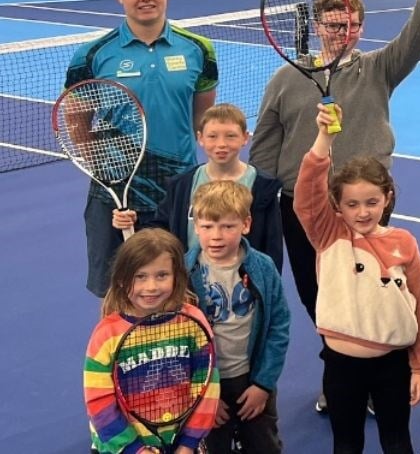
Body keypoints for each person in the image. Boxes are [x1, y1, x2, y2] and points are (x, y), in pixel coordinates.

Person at [250, 0, 420, 324]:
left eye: (351, 25)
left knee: (367, 290)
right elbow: (264, 146)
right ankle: (337, 361)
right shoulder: (285, 78)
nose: (343, 32)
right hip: (302, 206)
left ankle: (368, 359)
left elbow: (418, 36)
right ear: (318, 27)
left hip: (363, 202)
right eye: (334, 24)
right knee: (315, 292)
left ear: (360, 27)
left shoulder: (379, 69)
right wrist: (255, 204)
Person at [67, 0, 218, 297]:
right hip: (117, 187)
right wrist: (103, 167)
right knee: (117, 288)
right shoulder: (92, 54)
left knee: (178, 283)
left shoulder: (198, 49)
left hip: (179, 186)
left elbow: (202, 120)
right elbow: (76, 116)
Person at [295, 103, 420, 454]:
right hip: (342, 366)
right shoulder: (329, 235)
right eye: (352, 204)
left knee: (397, 442)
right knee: (346, 444)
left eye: (371, 202)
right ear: (337, 206)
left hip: (393, 366)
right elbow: (307, 197)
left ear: (386, 199)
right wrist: (324, 138)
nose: (362, 212)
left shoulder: (404, 243)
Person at [83, 228, 221, 453]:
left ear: (177, 276)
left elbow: (207, 386)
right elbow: (99, 404)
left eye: (161, 275)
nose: (151, 287)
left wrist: (188, 444)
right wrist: (134, 449)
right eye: (140, 276)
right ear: (120, 280)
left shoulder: (193, 323)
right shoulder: (106, 336)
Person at [113, 103, 284, 272]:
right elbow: (161, 228)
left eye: (231, 136)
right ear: (200, 138)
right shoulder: (182, 185)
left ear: (245, 138)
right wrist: (133, 224)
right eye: (212, 136)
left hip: (242, 285)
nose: (221, 144)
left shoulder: (263, 188)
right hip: (189, 283)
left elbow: (272, 247)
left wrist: (264, 286)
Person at [185, 180, 290, 454]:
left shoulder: (263, 268)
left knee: (264, 446)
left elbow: (278, 327)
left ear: (246, 224)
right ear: (196, 227)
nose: (216, 236)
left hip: (251, 379)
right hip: (208, 383)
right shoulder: (183, 273)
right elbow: (177, 339)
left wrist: (263, 384)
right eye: (207, 226)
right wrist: (203, 394)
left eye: (227, 226)